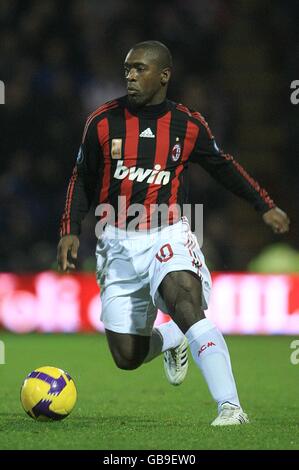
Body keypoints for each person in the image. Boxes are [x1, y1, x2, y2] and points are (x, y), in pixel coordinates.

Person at [57, 40, 290, 426]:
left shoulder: (187, 124)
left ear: (163, 75)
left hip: (167, 234)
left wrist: (263, 204)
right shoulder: (102, 121)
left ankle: (230, 407)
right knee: (127, 356)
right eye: (127, 69)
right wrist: (70, 229)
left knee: (185, 301)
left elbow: (223, 165)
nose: (129, 76)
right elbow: (81, 177)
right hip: (115, 242)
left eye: (139, 69)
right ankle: (169, 340)